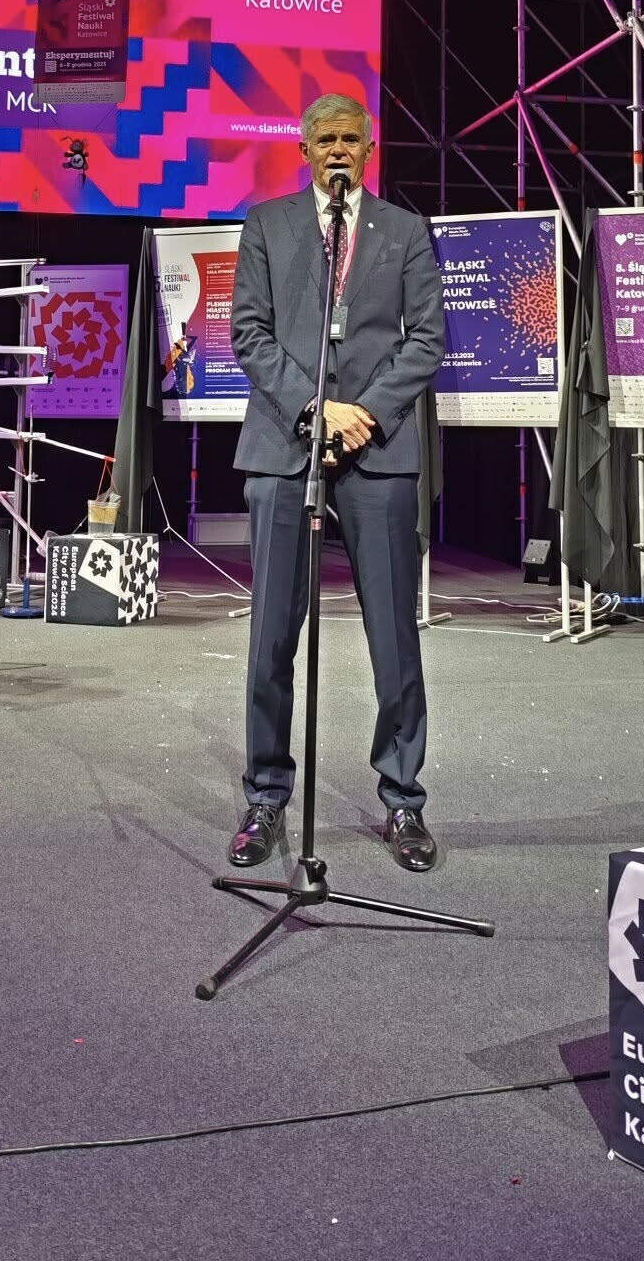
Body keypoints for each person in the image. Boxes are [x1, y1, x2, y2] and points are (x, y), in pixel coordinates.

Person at [228, 94, 446, 873]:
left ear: (369, 147)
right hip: (283, 451)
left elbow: (426, 340)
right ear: (305, 147)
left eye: (352, 138)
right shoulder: (267, 224)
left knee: (394, 638)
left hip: (377, 455)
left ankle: (404, 799)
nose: (339, 149)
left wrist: (364, 415)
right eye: (326, 139)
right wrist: (314, 408)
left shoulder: (404, 230)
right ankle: (265, 797)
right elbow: (249, 333)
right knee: (271, 638)